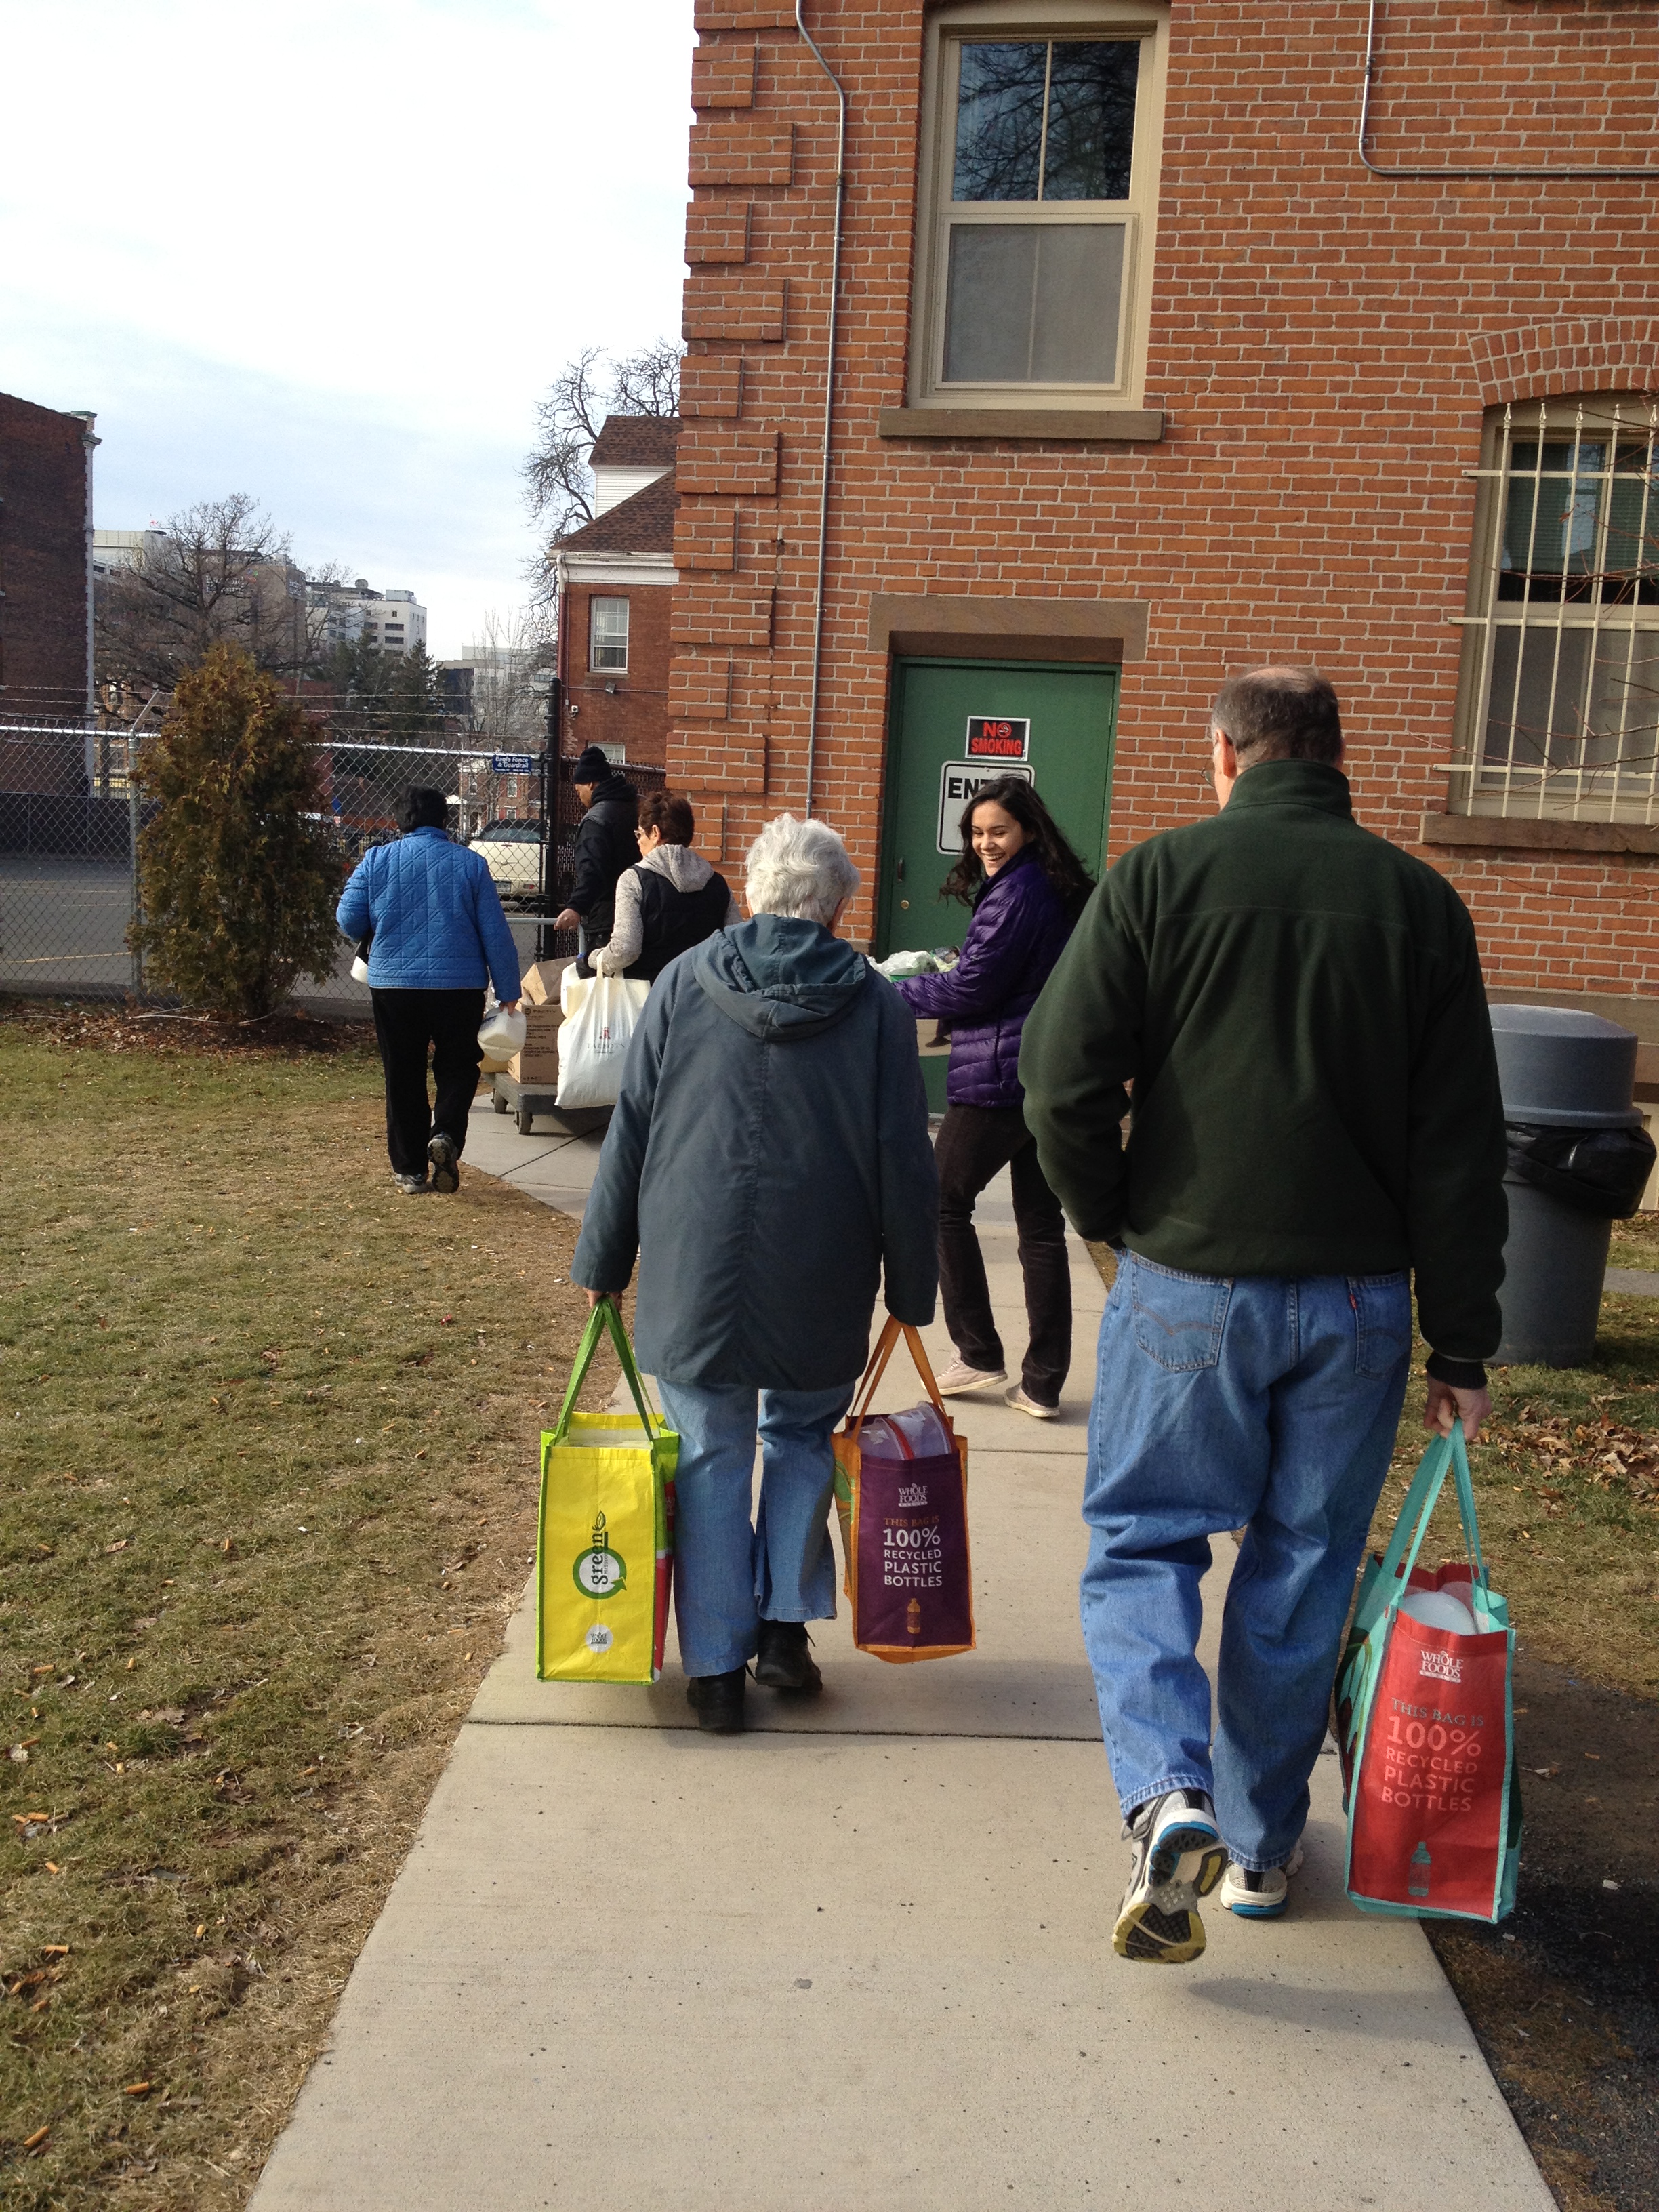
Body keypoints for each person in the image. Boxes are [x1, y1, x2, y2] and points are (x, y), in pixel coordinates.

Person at [1019, 667, 1508, 1963]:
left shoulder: (1156, 879)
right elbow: (1459, 1150)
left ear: (1225, 754)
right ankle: (1258, 1844)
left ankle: (1165, 1793)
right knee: (1297, 1568)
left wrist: (1109, 1214)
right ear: (1331, 759)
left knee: (1142, 1542)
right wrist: (1459, 1341)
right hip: (1354, 1300)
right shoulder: (1421, 906)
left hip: (1188, 1277)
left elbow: (1056, 1077)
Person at [571, 814, 939, 1734]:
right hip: (823, 1258)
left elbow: (636, 1129)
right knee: (804, 1436)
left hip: (697, 1256)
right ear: (841, 905)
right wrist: (913, 1284)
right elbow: (904, 1155)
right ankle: (783, 1632)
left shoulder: (686, 982)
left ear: (755, 889)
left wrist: (604, 1259)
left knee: (709, 1449)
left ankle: (715, 1670)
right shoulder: (877, 1007)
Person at [889, 777, 1092, 1419]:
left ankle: (977, 1351)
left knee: (940, 1199)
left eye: (998, 831)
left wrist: (892, 996)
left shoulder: (1019, 893)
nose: (986, 844)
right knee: (1039, 1228)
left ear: (1027, 829)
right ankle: (1042, 1383)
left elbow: (976, 987)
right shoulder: (1050, 887)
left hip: (1000, 1076)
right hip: (1049, 1073)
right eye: (976, 834)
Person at [337, 786, 522, 1196]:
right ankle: (447, 1137)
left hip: (393, 986)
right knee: (458, 1067)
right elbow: (496, 933)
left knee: (402, 1073)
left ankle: (409, 1170)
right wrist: (508, 988)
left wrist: (378, 928)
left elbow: (348, 918)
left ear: (401, 821)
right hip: (459, 987)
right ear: (446, 821)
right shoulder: (471, 865)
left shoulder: (377, 860)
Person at [586, 790, 740, 981]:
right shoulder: (718, 884)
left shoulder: (634, 880)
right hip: (703, 996)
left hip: (647, 999)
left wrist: (591, 960)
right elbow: (735, 944)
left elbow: (625, 950)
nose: (638, 842)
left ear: (656, 833)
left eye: (640, 834)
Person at [552, 745, 638, 957]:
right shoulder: (638, 807)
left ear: (591, 784)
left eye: (579, 789)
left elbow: (592, 870)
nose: (579, 796)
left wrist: (576, 906)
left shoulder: (596, 820)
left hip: (606, 919)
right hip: (642, 912)